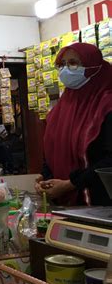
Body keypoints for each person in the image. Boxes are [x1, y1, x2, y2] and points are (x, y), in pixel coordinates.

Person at [36, 43, 112, 206]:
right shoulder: (60, 109)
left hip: (100, 204)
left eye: (73, 62)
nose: (65, 69)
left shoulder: (107, 105)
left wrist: (70, 184)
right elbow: (53, 149)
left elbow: (109, 160)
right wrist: (45, 176)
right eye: (62, 64)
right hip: (65, 205)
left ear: (94, 66)